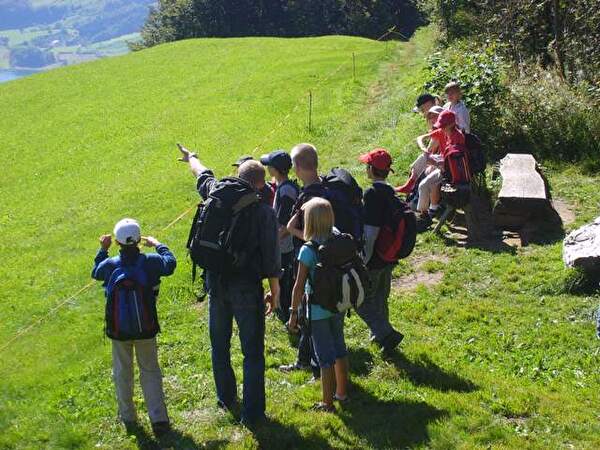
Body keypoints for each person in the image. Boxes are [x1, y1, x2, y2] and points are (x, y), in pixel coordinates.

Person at [178, 144, 281, 427]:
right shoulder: (263, 212)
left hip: (216, 280)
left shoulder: (217, 194)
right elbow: (272, 258)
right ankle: (253, 413)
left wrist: (192, 158)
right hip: (247, 286)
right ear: (260, 184)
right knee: (252, 352)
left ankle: (225, 397)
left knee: (219, 345)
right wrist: (275, 290)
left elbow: (202, 174)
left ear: (238, 175)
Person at [286, 143, 403, 354]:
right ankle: (381, 335)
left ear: (296, 168)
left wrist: (290, 228)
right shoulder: (334, 186)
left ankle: (312, 358)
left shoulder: (311, 199)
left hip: (322, 264)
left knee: (322, 305)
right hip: (347, 251)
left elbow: (309, 237)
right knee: (353, 297)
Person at [91, 218, 176, 439]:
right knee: (150, 371)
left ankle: (128, 417)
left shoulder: (110, 265)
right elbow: (171, 263)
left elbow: (95, 272)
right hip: (146, 328)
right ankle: (158, 419)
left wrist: (102, 249)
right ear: (139, 240)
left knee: (122, 372)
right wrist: (158, 244)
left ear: (117, 243)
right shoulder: (151, 262)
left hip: (119, 330)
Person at [287, 198, 349, 412]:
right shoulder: (337, 236)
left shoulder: (308, 250)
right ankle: (342, 393)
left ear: (309, 221)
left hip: (317, 310)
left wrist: (293, 313)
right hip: (339, 303)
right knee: (340, 347)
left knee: (324, 356)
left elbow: (298, 286)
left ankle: (327, 403)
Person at [358, 149, 405, 349]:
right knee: (381, 296)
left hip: (375, 257)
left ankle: (386, 334)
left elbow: (370, 232)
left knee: (361, 299)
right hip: (390, 255)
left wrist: (364, 259)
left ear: (371, 169)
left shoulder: (372, 195)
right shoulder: (391, 192)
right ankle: (379, 335)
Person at [260, 149, 299, 323]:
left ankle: (286, 313)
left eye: (269, 165)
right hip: (285, 245)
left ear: (274, 169)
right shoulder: (285, 187)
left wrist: (271, 242)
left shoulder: (285, 192)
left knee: (283, 279)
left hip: (284, 247)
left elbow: (285, 226)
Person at [414, 110, 465, 223]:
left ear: (452, 124)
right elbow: (420, 138)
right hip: (443, 168)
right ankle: (428, 212)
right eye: (440, 125)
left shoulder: (458, 137)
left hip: (452, 172)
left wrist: (436, 163)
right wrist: (424, 149)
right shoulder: (442, 131)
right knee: (425, 183)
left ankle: (428, 213)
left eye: (443, 126)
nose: (441, 128)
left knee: (425, 184)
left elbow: (455, 160)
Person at [396, 105, 445, 194]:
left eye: (435, 116)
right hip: (439, 160)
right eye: (430, 117)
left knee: (424, 157)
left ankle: (410, 186)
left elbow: (430, 149)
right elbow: (421, 140)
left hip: (444, 162)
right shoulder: (436, 131)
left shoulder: (441, 131)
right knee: (423, 158)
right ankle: (410, 186)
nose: (432, 119)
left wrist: (425, 150)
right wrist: (423, 148)